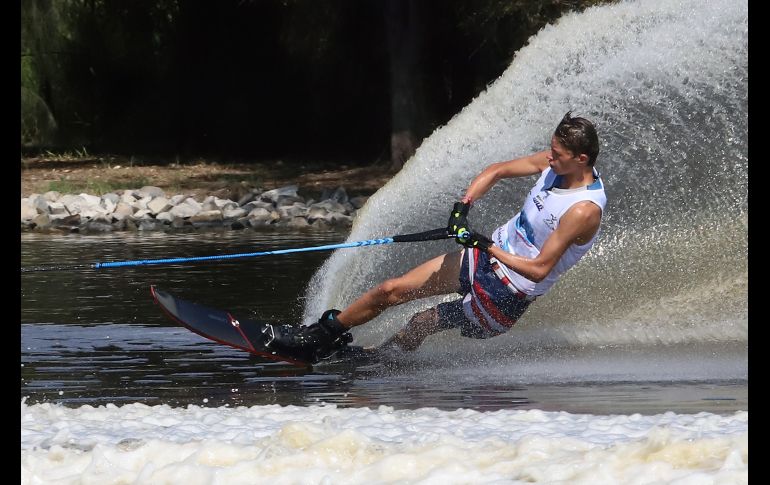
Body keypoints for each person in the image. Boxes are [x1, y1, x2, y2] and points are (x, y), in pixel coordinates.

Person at [268, 112, 607, 363]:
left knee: (421, 322)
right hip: (483, 258)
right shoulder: (554, 165)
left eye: (557, 154)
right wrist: (463, 207)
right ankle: (321, 336)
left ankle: (379, 362)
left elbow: (538, 269)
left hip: (507, 293)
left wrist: (486, 244)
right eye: (551, 150)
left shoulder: (583, 210)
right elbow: (497, 170)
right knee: (390, 290)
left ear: (581, 159)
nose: (549, 157)